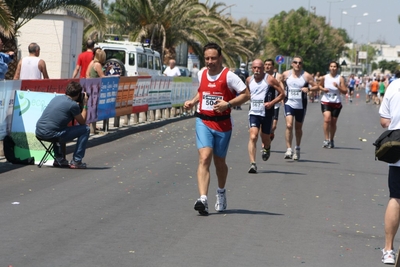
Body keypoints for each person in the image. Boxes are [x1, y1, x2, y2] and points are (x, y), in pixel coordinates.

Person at [183, 42, 249, 215]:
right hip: (203, 121)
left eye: (213, 58)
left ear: (220, 58)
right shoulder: (202, 73)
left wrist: (228, 103)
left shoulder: (229, 76)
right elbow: (202, 91)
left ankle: (221, 192)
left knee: (220, 162)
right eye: (207, 58)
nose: (210, 61)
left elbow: (246, 94)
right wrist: (193, 101)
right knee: (205, 158)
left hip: (223, 124)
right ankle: (203, 199)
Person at [35, 81, 90, 169]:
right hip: (52, 134)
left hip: (39, 132)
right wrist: (85, 105)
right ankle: (76, 161)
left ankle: (59, 158)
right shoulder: (72, 105)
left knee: (59, 128)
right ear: (78, 94)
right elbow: (82, 122)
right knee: (85, 129)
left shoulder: (56, 98)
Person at [247, 59, 284, 173]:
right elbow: (247, 94)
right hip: (253, 112)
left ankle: (267, 148)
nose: (257, 70)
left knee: (265, 138)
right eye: (255, 68)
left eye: (259, 68)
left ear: (263, 68)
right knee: (253, 136)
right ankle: (253, 164)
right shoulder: (249, 80)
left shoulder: (270, 79)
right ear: (252, 68)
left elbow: (282, 94)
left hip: (267, 113)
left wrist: (271, 103)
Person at [379, 77, 400, 264]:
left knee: (396, 197)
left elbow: (384, 121)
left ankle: (388, 249)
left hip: (398, 145)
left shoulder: (393, 85)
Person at [281, 56, 319, 160]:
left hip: (301, 104)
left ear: (302, 64)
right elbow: (279, 81)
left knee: (298, 128)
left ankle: (297, 148)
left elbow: (317, 86)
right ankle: (288, 149)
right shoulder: (286, 74)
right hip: (288, 102)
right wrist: (282, 90)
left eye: (300, 63)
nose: (297, 64)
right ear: (292, 64)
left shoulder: (306, 76)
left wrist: (309, 89)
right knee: (289, 125)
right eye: (295, 62)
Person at [318, 61, 348, 149]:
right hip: (326, 101)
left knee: (333, 123)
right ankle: (326, 139)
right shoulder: (325, 77)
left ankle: (331, 139)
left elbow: (345, 91)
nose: (333, 68)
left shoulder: (340, 78)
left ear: (337, 68)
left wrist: (338, 87)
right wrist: (323, 89)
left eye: (334, 66)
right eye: (331, 66)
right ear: (329, 68)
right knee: (327, 119)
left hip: (336, 102)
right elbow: (319, 86)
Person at [264, 60, 284, 142]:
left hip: (275, 103)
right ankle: (265, 142)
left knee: (273, 126)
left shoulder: (278, 76)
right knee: (264, 125)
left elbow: (281, 87)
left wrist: (282, 98)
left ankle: (270, 133)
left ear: (273, 66)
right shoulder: (262, 76)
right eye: (266, 64)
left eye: (269, 65)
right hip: (264, 103)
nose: (267, 66)